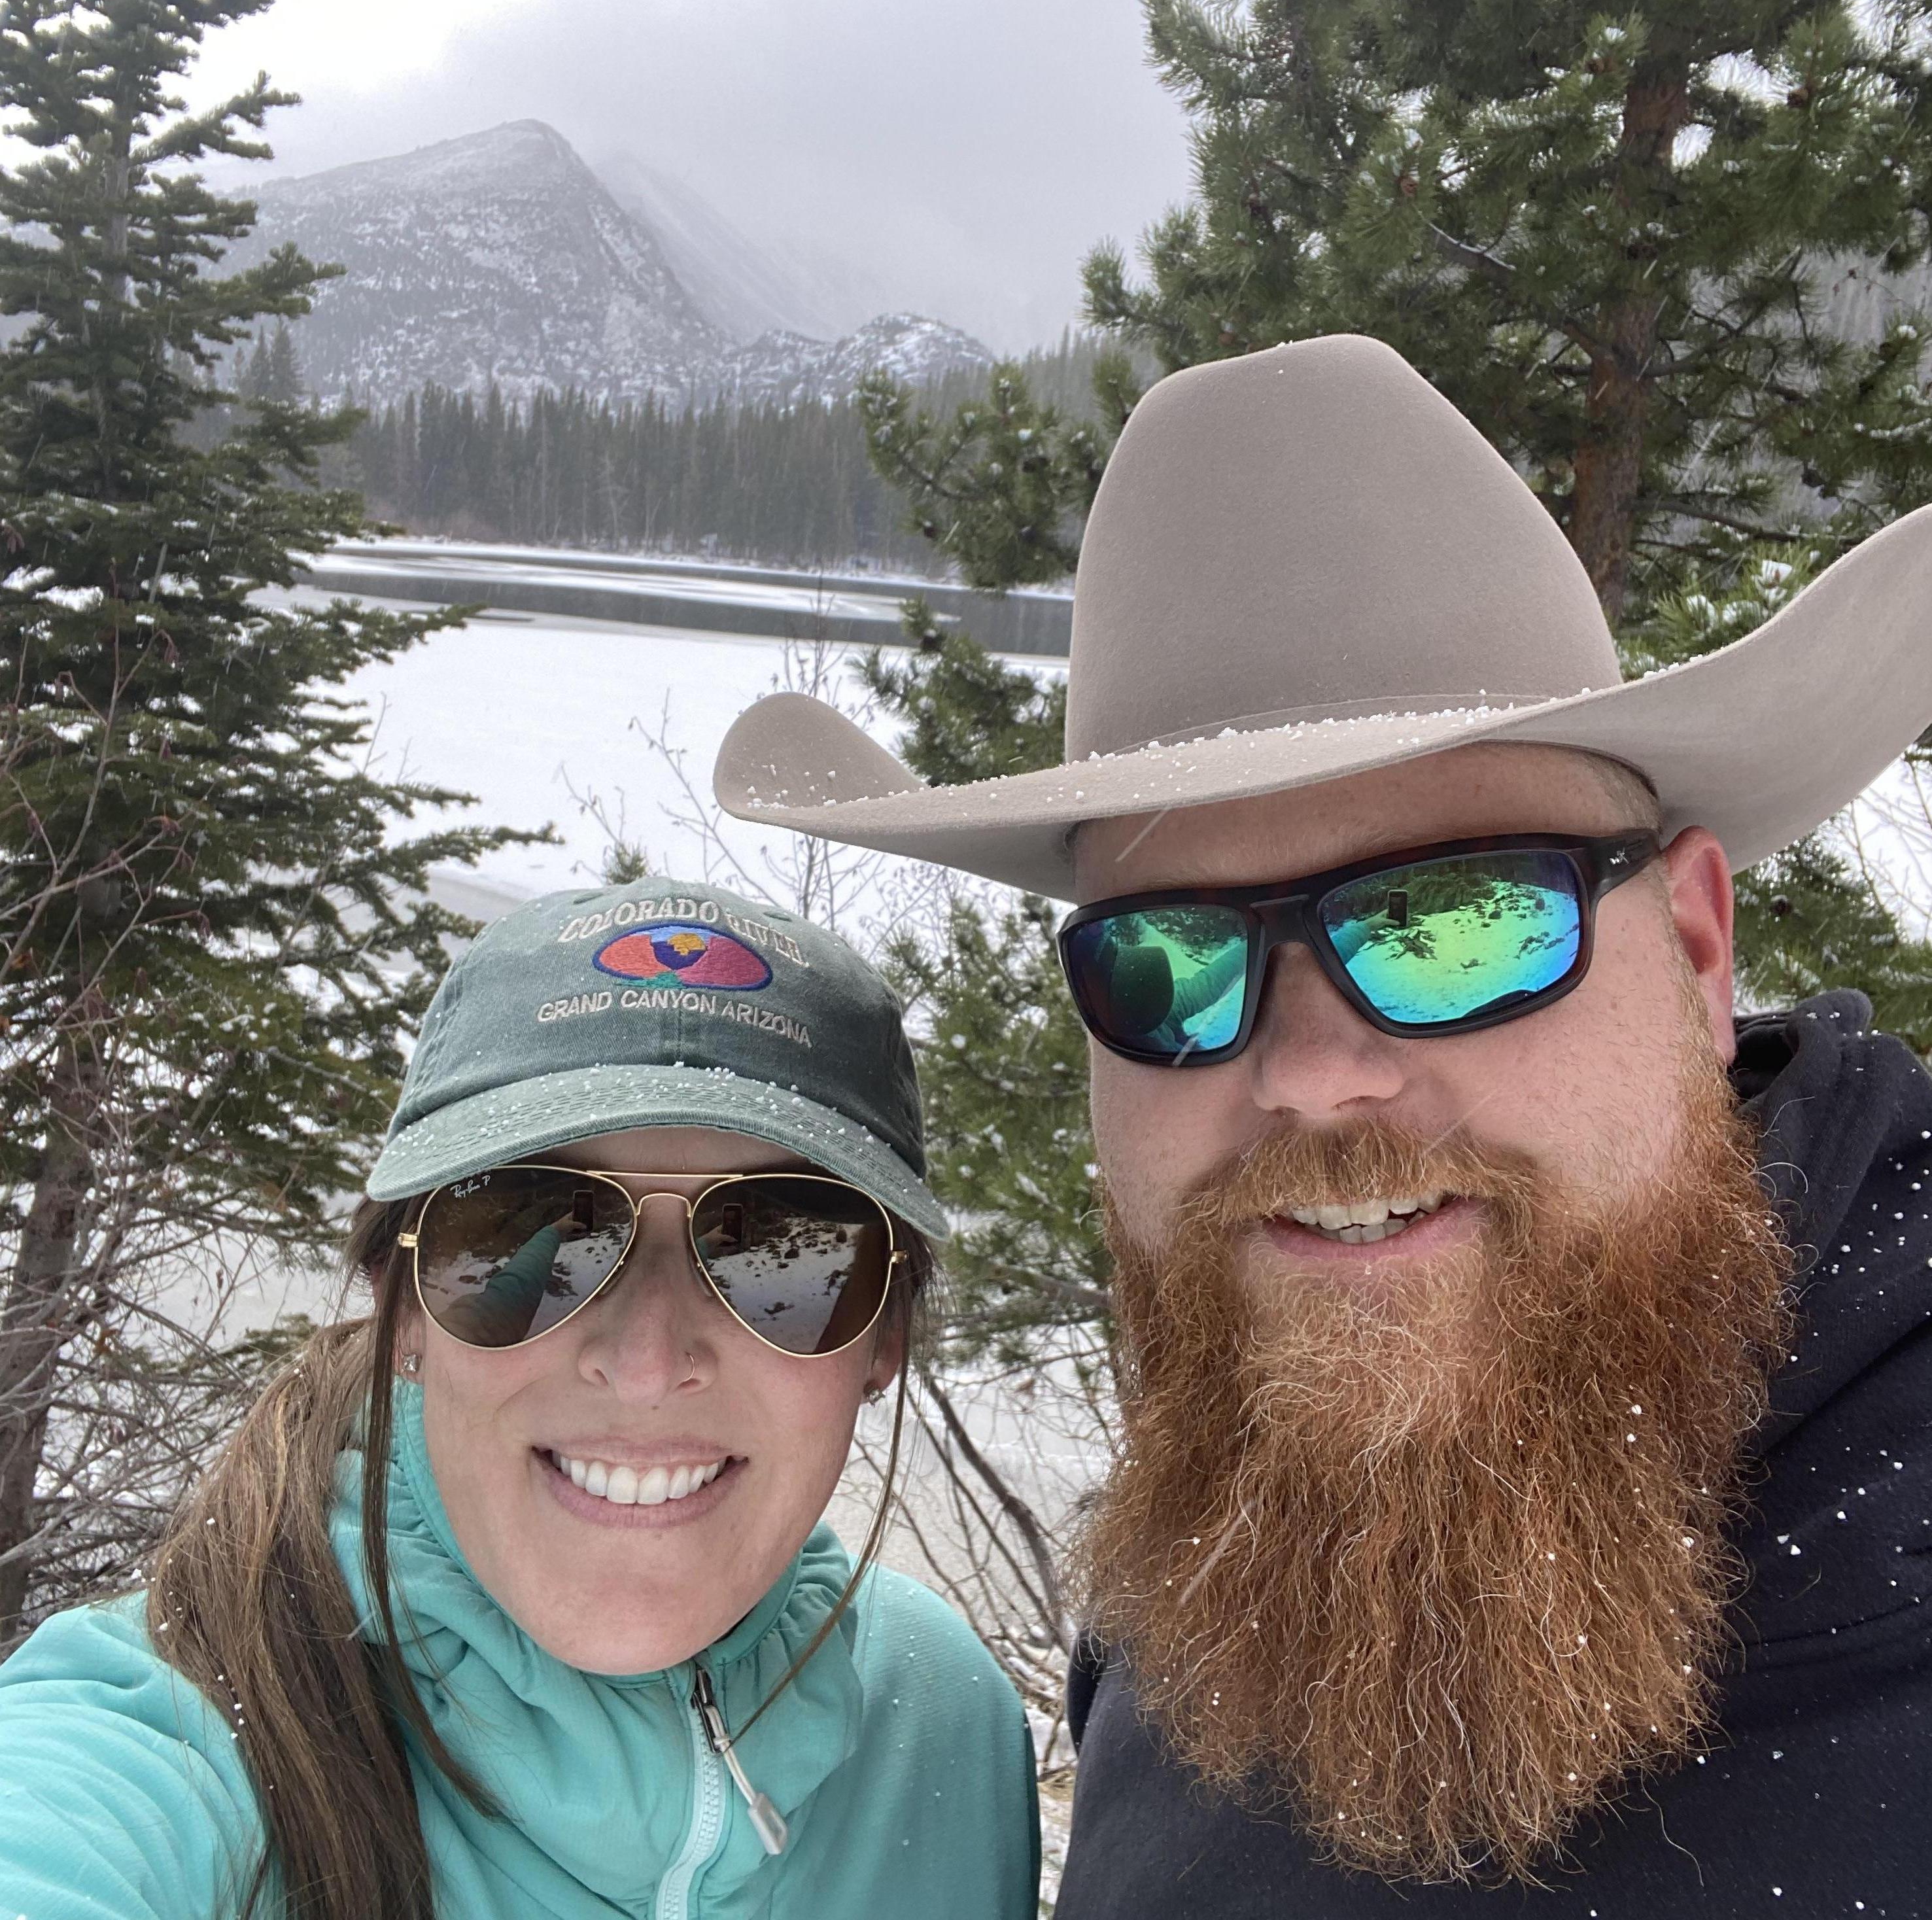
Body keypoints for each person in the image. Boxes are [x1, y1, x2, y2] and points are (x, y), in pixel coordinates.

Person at [712, 334, 1932, 1913]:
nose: (1305, 1071)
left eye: (1458, 923)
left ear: (1696, 949)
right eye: (1169, 965)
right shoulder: (1216, 1543)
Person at [0, 875, 1039, 1920]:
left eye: (785, 1250)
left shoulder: (939, 1725)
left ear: (884, 1338)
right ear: (402, 1306)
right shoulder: (172, 1741)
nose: (645, 1362)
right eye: (526, 1226)